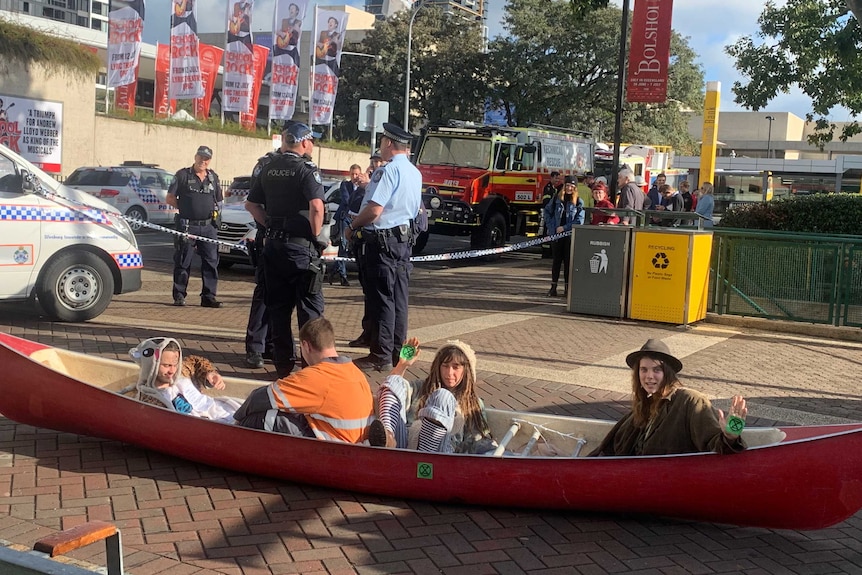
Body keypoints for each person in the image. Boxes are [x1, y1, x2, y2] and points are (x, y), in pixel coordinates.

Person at [245, 122, 326, 378]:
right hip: (300, 251)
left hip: (273, 248)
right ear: (303, 142)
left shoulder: (268, 168)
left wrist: (269, 224)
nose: (312, 146)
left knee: (278, 309)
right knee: (310, 312)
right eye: (312, 141)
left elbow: (251, 204)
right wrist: (314, 235)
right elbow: (316, 206)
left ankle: (283, 366)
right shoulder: (306, 169)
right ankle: (311, 368)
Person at [344, 123, 422, 371]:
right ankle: (400, 354)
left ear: (388, 143)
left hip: (383, 242)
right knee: (399, 300)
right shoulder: (415, 172)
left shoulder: (386, 172)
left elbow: (375, 210)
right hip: (403, 241)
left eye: (381, 142)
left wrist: (353, 226)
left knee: (383, 301)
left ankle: (380, 355)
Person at [588, 339, 748, 456]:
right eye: (644, 370)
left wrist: (731, 434)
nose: (649, 376)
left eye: (656, 370)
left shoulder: (690, 401)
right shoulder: (644, 406)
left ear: (667, 373)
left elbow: (715, 447)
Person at [233, 317, 374, 443]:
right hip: (356, 440)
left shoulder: (316, 376)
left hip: (332, 445)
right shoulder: (355, 372)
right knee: (296, 410)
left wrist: (236, 419)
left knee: (268, 416)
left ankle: (233, 438)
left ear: (306, 346)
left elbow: (260, 398)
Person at [369, 337, 496, 454]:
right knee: (395, 380)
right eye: (445, 366)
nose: (449, 372)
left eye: (455, 367)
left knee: (443, 396)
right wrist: (402, 365)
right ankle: (389, 437)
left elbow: (478, 441)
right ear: (438, 367)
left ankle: (425, 454)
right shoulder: (421, 387)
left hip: (440, 457)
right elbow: (390, 390)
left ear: (466, 370)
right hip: (404, 449)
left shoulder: (472, 403)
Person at [130, 337, 237, 423]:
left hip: (225, 410)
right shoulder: (151, 399)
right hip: (213, 425)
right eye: (166, 365)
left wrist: (209, 373)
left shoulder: (181, 372)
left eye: (174, 364)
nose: (172, 370)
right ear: (151, 365)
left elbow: (195, 361)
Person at [167, 145, 223, 308]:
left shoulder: (213, 177)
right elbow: (170, 198)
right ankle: (179, 295)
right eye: (200, 157)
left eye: (206, 158)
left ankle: (208, 297)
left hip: (208, 227)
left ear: (209, 160)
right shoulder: (182, 175)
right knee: (183, 261)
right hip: (187, 226)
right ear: (195, 157)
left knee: (211, 263)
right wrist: (185, 209)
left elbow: (218, 200)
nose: (203, 161)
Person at [243, 149, 281, 369]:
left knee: (280, 299)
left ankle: (272, 344)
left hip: (287, 241)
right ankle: (256, 347)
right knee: (264, 296)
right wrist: (271, 226)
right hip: (268, 237)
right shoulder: (266, 165)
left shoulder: (297, 165)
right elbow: (254, 203)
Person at [543, 175, 584, 297]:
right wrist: (552, 228)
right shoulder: (556, 198)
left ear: (575, 187)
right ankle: (553, 287)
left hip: (569, 236)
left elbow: (579, 220)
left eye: (572, 186)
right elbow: (547, 212)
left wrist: (564, 228)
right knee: (556, 261)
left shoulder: (578, 201)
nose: (569, 188)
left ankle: (567, 289)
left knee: (568, 262)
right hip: (556, 236)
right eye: (567, 185)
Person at [329, 164, 367, 286]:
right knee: (344, 246)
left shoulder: (365, 187)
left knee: (354, 247)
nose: (355, 177)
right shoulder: (345, 185)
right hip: (346, 218)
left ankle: (335, 269)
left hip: (359, 220)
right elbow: (347, 200)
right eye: (352, 174)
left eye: (357, 174)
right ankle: (343, 276)